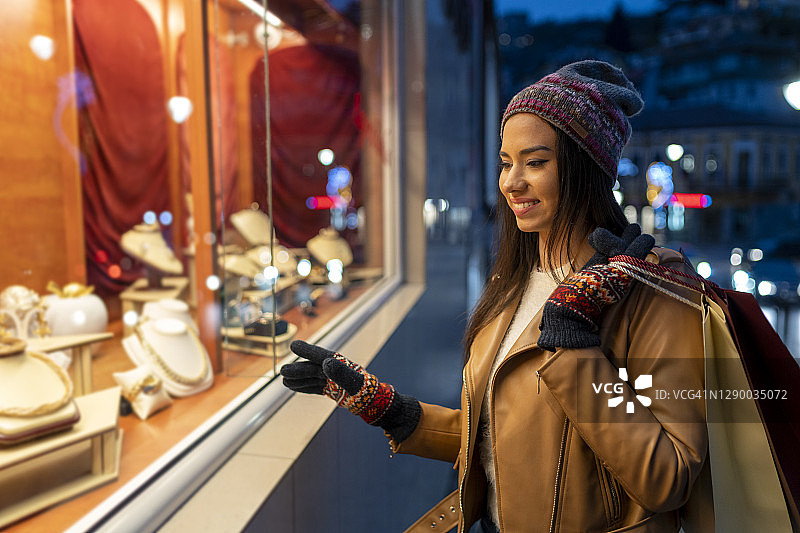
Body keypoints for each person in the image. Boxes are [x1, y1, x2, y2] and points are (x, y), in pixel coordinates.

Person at [281, 60, 709, 533]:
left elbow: (668, 476)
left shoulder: (652, 286)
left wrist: (573, 347)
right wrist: (390, 410)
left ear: (587, 168)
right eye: (506, 163)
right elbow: (508, 440)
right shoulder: (516, 281)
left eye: (536, 162)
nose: (511, 182)